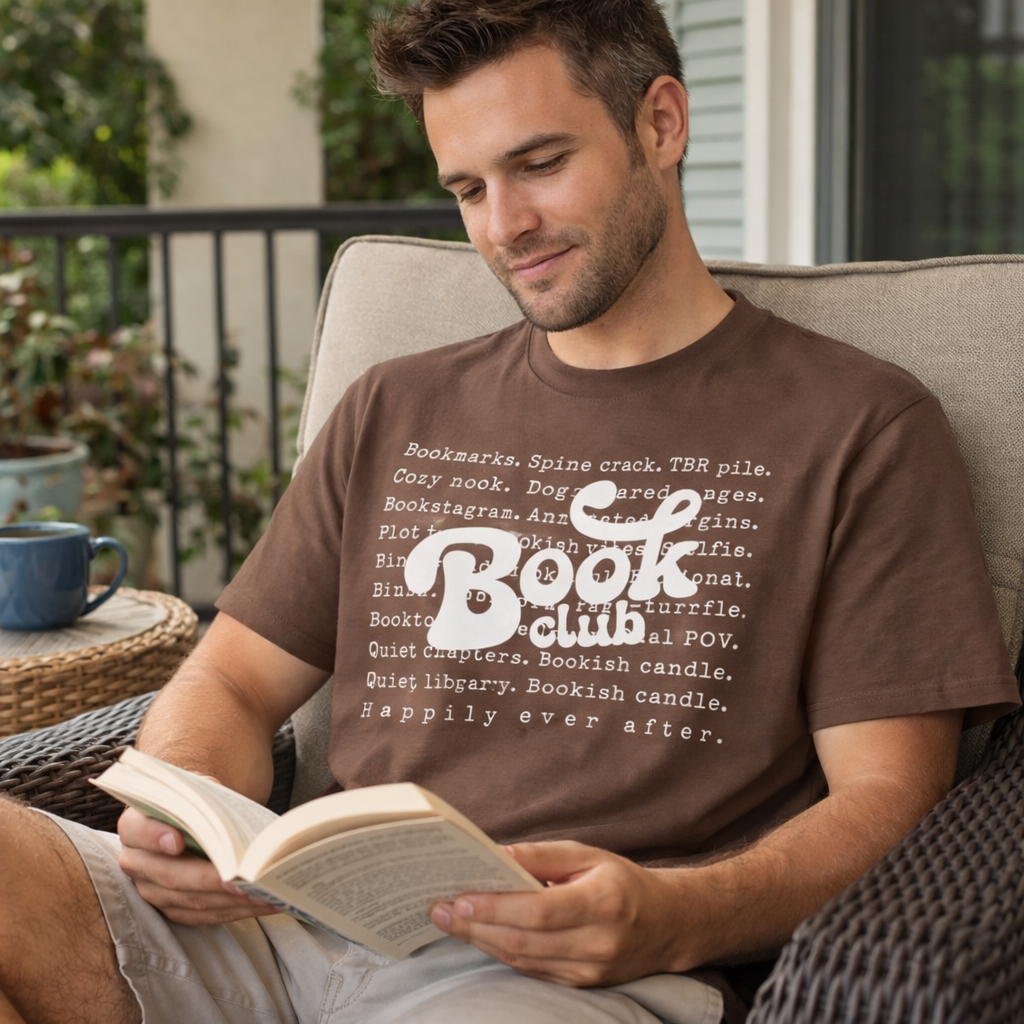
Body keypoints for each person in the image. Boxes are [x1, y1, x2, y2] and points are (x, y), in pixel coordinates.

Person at [1, 2, 1019, 1022]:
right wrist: (183, 811)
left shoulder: (859, 428)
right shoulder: (395, 406)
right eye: (468, 187)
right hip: (279, 926)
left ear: (660, 123)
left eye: (538, 164)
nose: (503, 226)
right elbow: (231, 674)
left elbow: (889, 802)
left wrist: (676, 913)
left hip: (561, 977)